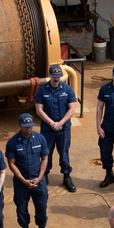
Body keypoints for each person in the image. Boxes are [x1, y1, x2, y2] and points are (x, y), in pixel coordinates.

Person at [6, 113, 52, 228]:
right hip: (21, 183)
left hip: (39, 181)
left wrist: (40, 177)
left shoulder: (40, 139)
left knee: (41, 206)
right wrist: (22, 179)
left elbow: (44, 158)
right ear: (20, 125)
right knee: (21, 207)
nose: (29, 129)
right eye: (26, 127)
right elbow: (12, 163)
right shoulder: (13, 143)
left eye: (30, 126)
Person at [34, 63, 78, 192]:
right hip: (48, 129)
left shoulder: (67, 89)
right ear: (50, 76)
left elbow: (72, 109)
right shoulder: (42, 90)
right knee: (46, 153)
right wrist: (52, 123)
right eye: (54, 76)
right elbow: (39, 110)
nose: (56, 79)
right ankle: (44, 175)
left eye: (58, 76)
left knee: (64, 152)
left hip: (63, 129)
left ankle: (66, 176)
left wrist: (61, 123)